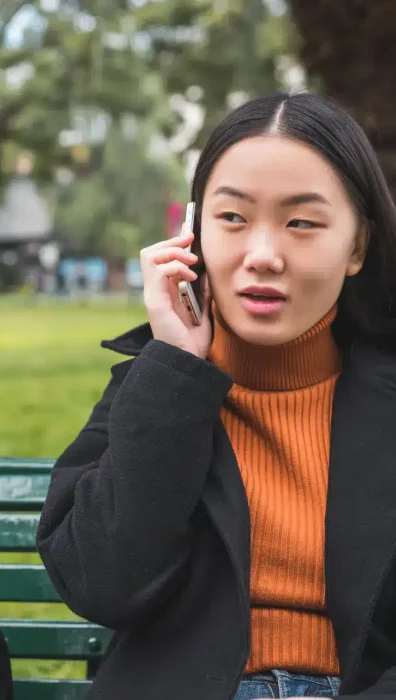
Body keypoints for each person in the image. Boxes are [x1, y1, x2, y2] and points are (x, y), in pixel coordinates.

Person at [36, 92, 396, 700]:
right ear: (192, 234)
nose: (262, 256)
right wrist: (175, 364)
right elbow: (101, 584)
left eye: (301, 223)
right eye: (233, 218)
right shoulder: (158, 389)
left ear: (357, 246)